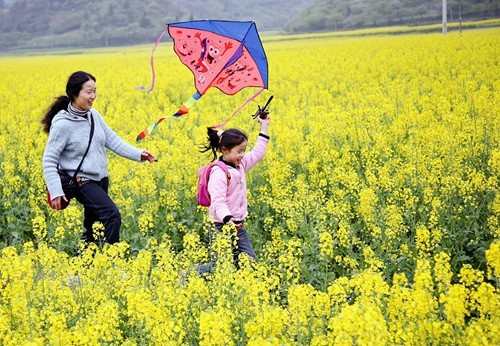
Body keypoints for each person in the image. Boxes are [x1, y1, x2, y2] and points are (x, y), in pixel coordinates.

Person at [42, 71, 156, 244]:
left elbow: (112, 140)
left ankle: (88, 266)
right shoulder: (62, 124)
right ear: (74, 93)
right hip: (82, 182)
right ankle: (112, 260)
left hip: (101, 179)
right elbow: (49, 160)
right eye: (88, 92)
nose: (93, 96)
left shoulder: (93, 115)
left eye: (94, 91)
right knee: (112, 216)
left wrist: (139, 154)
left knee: (93, 228)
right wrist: (56, 190)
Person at [198, 117, 270, 274]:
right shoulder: (219, 172)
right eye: (239, 151)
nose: (242, 155)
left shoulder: (241, 165)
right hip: (220, 225)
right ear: (224, 150)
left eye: (244, 151)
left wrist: (264, 125)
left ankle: (244, 291)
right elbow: (218, 202)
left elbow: (258, 153)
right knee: (220, 266)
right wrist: (227, 219)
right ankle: (191, 274)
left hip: (238, 226)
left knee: (248, 263)